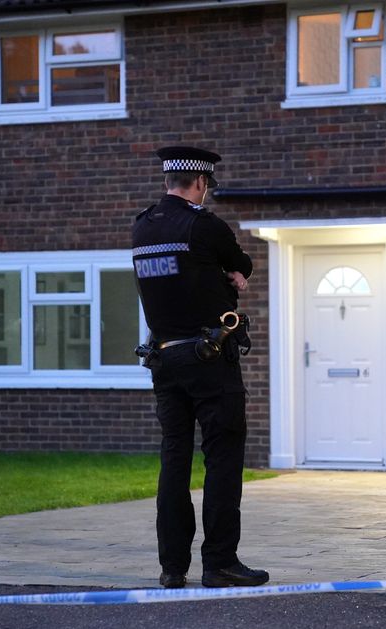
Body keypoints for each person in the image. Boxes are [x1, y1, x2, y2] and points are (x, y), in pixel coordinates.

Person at [131, 146, 269, 590]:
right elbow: (241, 264)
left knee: (174, 459)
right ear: (201, 183)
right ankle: (220, 563)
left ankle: (172, 567)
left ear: (168, 180)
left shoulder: (142, 228)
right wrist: (231, 278)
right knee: (222, 458)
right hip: (208, 359)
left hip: (163, 358)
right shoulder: (203, 225)